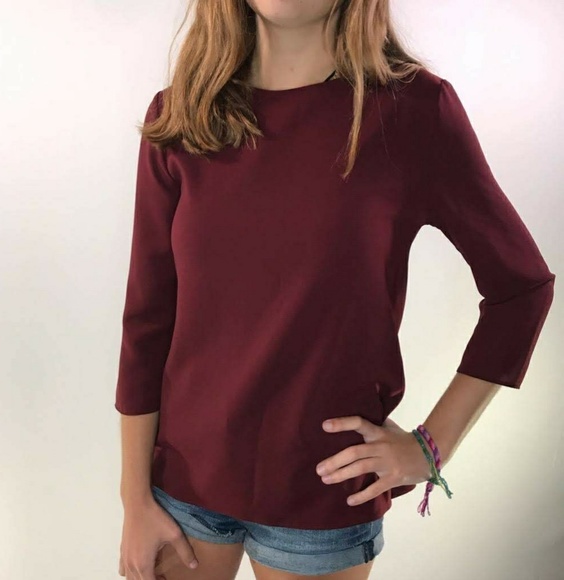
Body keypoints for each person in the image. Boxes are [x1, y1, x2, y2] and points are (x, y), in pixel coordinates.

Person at [115, 1, 556, 579]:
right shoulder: (183, 115)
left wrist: (430, 446)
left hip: (323, 492)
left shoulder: (413, 111)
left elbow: (521, 289)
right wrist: (134, 497)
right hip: (181, 487)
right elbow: (148, 317)